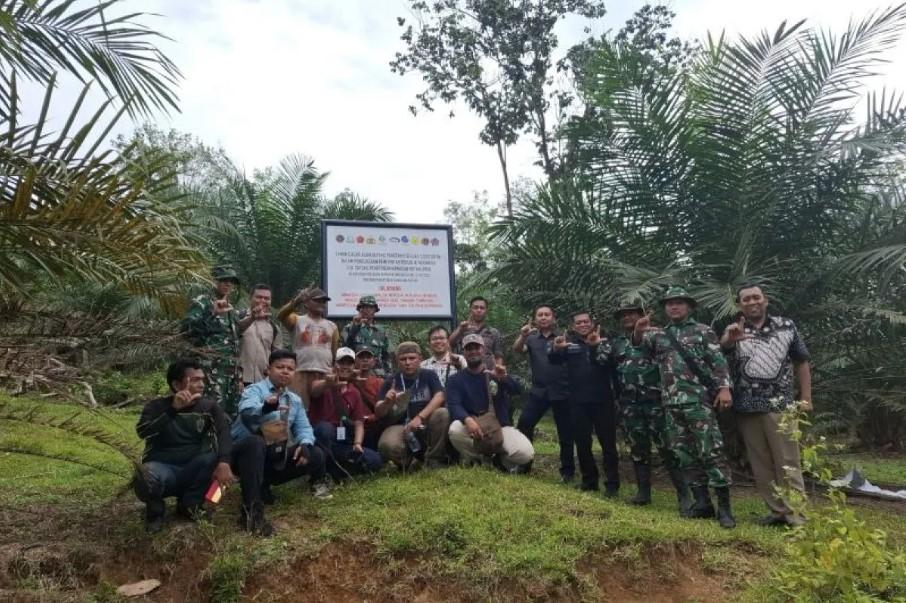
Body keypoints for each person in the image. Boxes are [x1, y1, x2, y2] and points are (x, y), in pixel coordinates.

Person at [632, 286, 736, 528]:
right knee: (684, 454)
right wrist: (638, 330)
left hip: (699, 402)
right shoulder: (658, 335)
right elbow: (638, 346)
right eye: (669, 303)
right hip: (671, 404)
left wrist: (724, 389)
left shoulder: (702, 331)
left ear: (689, 306)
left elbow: (718, 362)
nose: (674, 306)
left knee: (711, 451)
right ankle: (702, 504)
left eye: (679, 303)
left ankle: (725, 508)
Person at [722, 283, 811, 526]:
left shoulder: (786, 325)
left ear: (765, 300)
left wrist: (805, 398)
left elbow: (801, 362)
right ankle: (777, 512)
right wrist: (730, 340)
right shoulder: (735, 330)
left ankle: (797, 516)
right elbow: (721, 354)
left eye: (756, 297)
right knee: (761, 465)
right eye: (746, 299)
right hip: (747, 407)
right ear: (740, 305)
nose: (752, 302)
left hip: (780, 405)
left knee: (788, 462)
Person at [230, 350, 332, 536]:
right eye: (280, 367)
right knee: (255, 443)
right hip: (243, 458)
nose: (285, 371)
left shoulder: (294, 400)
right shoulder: (254, 391)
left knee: (315, 454)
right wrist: (266, 407)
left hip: (273, 455)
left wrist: (305, 444)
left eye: (290, 369)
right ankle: (251, 511)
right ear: (268, 369)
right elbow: (247, 412)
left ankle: (264, 484)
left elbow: (304, 428)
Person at [604, 303, 691, 513]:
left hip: (656, 401)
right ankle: (643, 493)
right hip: (629, 404)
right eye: (623, 316)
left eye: (631, 314)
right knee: (638, 449)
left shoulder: (657, 335)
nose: (627, 318)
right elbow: (604, 363)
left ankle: (684, 495)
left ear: (642, 316)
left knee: (668, 449)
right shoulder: (616, 343)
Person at [133, 359, 235, 533]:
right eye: (195, 380)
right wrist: (172, 410)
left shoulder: (209, 407)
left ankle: (190, 505)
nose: (202, 385)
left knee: (216, 459)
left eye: (202, 379)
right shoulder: (157, 406)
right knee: (144, 475)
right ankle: (155, 511)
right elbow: (143, 432)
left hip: (195, 469)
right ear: (176, 384)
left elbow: (224, 434)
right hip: (163, 469)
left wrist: (225, 462)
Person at [549, 312, 620, 496]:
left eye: (585, 321)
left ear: (592, 323)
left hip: (603, 400)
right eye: (578, 323)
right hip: (577, 402)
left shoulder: (605, 342)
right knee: (582, 443)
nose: (582, 325)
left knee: (608, 445)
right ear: (573, 327)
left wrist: (595, 346)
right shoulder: (569, 345)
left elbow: (608, 364)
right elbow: (553, 360)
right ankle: (589, 481)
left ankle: (612, 484)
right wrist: (556, 348)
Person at [447, 334, 534, 471]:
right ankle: (478, 460)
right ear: (464, 352)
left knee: (525, 454)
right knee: (455, 429)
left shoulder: (496, 373)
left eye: (477, 347)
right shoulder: (455, 380)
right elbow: (454, 404)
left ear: (484, 350)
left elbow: (518, 390)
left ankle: (498, 462)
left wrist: (504, 378)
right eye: (469, 348)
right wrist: (467, 419)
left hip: (500, 426)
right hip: (473, 426)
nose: (473, 351)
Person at [513, 305, 576, 483]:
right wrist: (523, 334)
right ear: (535, 319)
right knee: (524, 423)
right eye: (539, 315)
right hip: (539, 391)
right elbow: (517, 349)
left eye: (547, 314)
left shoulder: (564, 337)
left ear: (553, 318)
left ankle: (567, 472)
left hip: (562, 391)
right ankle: (524, 465)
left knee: (565, 433)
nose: (543, 317)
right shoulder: (531, 339)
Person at [309, 347, 384, 478]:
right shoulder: (322, 383)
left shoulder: (353, 391)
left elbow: (359, 422)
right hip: (321, 439)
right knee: (324, 429)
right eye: (341, 362)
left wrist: (357, 443)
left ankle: (337, 471)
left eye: (348, 363)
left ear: (353, 366)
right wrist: (328, 383)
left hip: (342, 441)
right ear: (334, 364)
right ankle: (321, 473)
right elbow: (314, 390)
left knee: (375, 460)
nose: (345, 366)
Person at [376, 342, 449, 469]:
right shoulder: (391, 380)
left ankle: (434, 459)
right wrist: (387, 403)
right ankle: (407, 461)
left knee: (443, 413)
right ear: (397, 361)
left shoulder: (428, 375)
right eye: (403, 359)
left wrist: (420, 418)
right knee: (387, 445)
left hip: (425, 423)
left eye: (412, 358)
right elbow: (378, 411)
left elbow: (440, 396)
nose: (407, 362)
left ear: (420, 358)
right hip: (400, 426)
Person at [181, 266, 242, 415]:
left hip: (230, 375)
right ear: (213, 281)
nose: (228, 284)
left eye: (231, 281)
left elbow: (234, 342)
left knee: (229, 417)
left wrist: (238, 375)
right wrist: (212, 314)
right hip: (210, 372)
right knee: (208, 413)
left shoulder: (231, 309)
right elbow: (186, 330)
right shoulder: (203, 302)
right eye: (224, 280)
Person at [276, 287, 339, 408]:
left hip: (324, 372)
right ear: (307, 303)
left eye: (323, 301)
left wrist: (333, 370)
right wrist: (297, 300)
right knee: (298, 409)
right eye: (317, 300)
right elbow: (281, 315)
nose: (321, 304)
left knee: (323, 410)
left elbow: (334, 352)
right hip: (301, 371)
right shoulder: (297, 320)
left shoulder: (332, 326)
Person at [237, 283, 280, 387]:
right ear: (250, 298)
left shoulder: (274, 327)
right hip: (240, 380)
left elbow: (277, 357)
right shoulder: (237, 317)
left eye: (267, 298)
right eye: (259, 297)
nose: (263, 301)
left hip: (263, 381)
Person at [350, 346, 391, 449]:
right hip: (352, 426)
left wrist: (372, 417)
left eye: (368, 357)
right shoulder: (347, 382)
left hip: (373, 426)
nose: (365, 360)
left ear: (374, 362)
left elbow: (384, 407)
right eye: (361, 357)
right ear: (354, 361)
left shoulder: (380, 383)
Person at [448, 296, 504, 370]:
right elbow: (448, 343)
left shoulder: (493, 332)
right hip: (465, 373)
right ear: (470, 309)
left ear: (486, 310)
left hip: (488, 374)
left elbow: (498, 355)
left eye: (482, 308)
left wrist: (497, 374)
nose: (479, 310)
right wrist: (461, 330)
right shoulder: (462, 329)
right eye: (476, 307)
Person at [341, 295, 391, 376]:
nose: (367, 310)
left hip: (377, 374)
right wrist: (355, 327)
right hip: (356, 373)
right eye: (364, 307)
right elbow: (344, 349)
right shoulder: (349, 328)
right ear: (359, 309)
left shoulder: (381, 331)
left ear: (375, 310)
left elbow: (386, 356)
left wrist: (389, 374)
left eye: (370, 307)